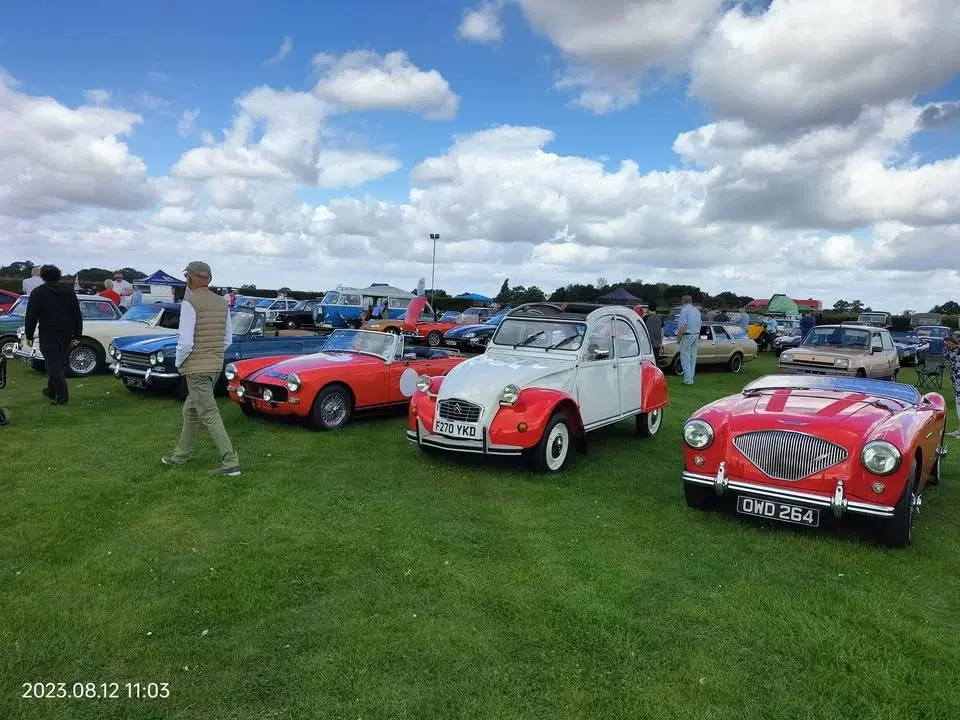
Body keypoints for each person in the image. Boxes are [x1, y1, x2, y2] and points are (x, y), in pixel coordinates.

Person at [162, 261, 241, 476]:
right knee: (190, 411)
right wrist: (213, 354)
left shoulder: (190, 302)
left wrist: (179, 363)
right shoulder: (221, 303)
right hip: (214, 366)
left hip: (196, 367)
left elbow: (185, 342)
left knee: (208, 413)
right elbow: (227, 339)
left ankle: (230, 461)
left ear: (191, 278)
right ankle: (180, 456)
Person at [23, 265, 83, 406]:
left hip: (48, 332)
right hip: (66, 333)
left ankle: (62, 397)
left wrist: (29, 335)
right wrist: (77, 335)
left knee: (53, 365)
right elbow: (76, 315)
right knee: (58, 363)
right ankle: (51, 390)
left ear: (43, 277)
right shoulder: (69, 292)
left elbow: (31, 315)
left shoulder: (38, 292)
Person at [676, 295, 702, 385]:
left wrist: (679, 338)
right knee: (692, 357)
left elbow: (683, 326)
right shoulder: (697, 310)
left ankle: (687, 380)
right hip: (696, 334)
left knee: (685, 358)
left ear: (683, 301)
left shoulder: (684, 310)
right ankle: (691, 378)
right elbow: (700, 324)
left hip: (687, 335)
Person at [944, 333, 960, 439]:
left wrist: (954, 347)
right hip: (956, 381)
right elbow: (948, 358)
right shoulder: (953, 351)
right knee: (958, 405)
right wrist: (949, 348)